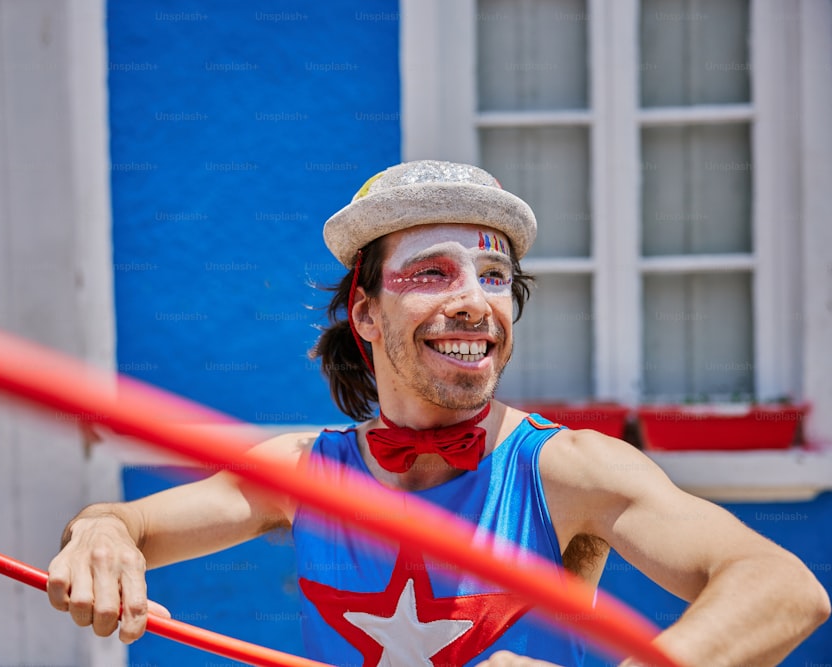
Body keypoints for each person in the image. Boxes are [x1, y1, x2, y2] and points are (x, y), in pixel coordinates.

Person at [47, 160, 829, 666]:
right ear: (365, 313)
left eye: (494, 275)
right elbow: (126, 522)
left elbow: (782, 585)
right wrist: (104, 532)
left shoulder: (567, 468)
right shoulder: (306, 472)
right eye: (432, 273)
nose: (473, 301)